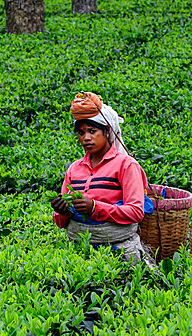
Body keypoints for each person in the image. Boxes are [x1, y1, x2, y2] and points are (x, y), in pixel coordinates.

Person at [50, 92, 154, 266]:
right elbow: (61, 223)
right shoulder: (74, 169)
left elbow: (136, 212)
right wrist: (62, 211)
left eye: (92, 131)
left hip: (119, 252)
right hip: (78, 254)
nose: (86, 138)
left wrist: (95, 208)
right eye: (81, 133)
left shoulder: (126, 165)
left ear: (106, 131)